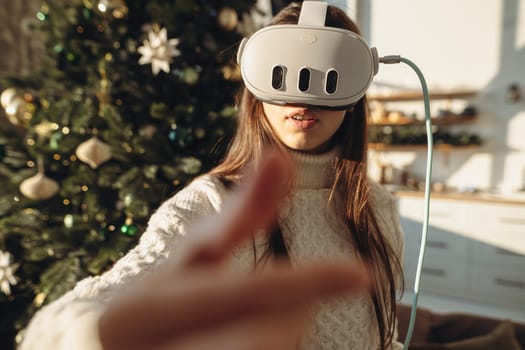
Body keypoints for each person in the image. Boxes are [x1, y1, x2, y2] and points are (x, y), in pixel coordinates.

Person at [20, 2, 405, 350]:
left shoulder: (379, 210)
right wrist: (90, 335)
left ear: (356, 92)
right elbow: (63, 322)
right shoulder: (211, 206)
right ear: (255, 85)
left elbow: (385, 338)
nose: (302, 95)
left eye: (331, 74)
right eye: (280, 74)